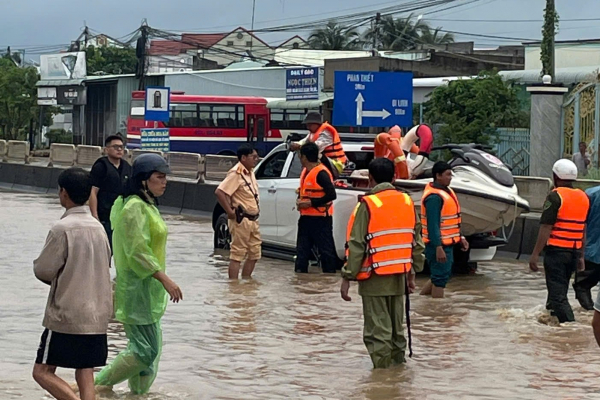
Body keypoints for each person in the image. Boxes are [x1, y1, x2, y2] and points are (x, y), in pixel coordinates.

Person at [94, 153, 183, 395]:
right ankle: (96, 385)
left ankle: (137, 394)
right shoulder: (134, 207)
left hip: (149, 289)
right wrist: (165, 279)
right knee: (144, 351)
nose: (164, 182)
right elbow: (137, 251)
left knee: (151, 353)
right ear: (144, 180)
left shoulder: (147, 205)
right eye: (159, 177)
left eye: (165, 177)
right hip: (137, 288)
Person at [33, 168, 112, 400]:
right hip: (98, 315)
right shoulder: (99, 228)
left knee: (42, 371)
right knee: (85, 371)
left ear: (63, 193)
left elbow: (43, 270)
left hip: (67, 315)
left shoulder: (62, 228)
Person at [340, 158, 425, 369]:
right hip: (400, 275)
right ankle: (398, 375)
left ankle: (382, 376)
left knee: (378, 330)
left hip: (374, 276)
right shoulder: (407, 202)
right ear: (394, 177)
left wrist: (348, 275)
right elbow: (416, 242)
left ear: (370, 178)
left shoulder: (368, 204)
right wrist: (413, 272)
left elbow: (357, 244)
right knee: (397, 329)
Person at [529, 159, 590, 323]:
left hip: (557, 252)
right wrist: (581, 256)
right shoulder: (583, 197)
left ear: (555, 177)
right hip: (574, 252)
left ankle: (570, 327)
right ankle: (551, 323)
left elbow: (546, 227)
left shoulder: (555, 196)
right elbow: (583, 228)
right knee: (558, 291)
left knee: (558, 296)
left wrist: (535, 254)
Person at [419, 161, 469, 298]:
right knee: (440, 278)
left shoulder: (447, 191)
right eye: (447, 175)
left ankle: (423, 301)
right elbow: (433, 225)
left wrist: (461, 237)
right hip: (437, 244)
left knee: (440, 275)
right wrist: (438, 247)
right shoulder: (434, 198)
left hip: (447, 243)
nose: (450, 178)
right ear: (438, 176)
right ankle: (437, 307)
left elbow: (452, 220)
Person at [215, 143, 261, 279]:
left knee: (255, 254)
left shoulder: (250, 172)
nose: (256, 159)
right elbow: (220, 192)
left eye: (257, 157)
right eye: (253, 157)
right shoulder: (236, 174)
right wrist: (229, 212)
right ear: (243, 158)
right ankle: (234, 286)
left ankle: (246, 283)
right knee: (237, 255)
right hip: (241, 220)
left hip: (253, 219)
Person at [295, 142, 338, 274]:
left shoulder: (321, 173)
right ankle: (300, 278)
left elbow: (332, 195)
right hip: (305, 218)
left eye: (300, 155)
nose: (299, 158)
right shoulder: (306, 171)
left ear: (304, 157)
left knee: (326, 252)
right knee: (302, 251)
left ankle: (329, 278)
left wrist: (311, 203)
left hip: (321, 219)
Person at [89, 134, 132, 247]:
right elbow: (93, 192)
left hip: (122, 217)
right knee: (104, 248)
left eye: (121, 147)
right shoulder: (100, 167)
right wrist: (95, 216)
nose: (119, 150)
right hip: (105, 216)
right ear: (106, 149)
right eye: (115, 147)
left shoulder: (127, 167)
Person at [572, 185, 600, 310]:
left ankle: (590, 313)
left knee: (582, 285)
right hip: (593, 250)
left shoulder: (590, 194)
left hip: (591, 251)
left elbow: (579, 220)